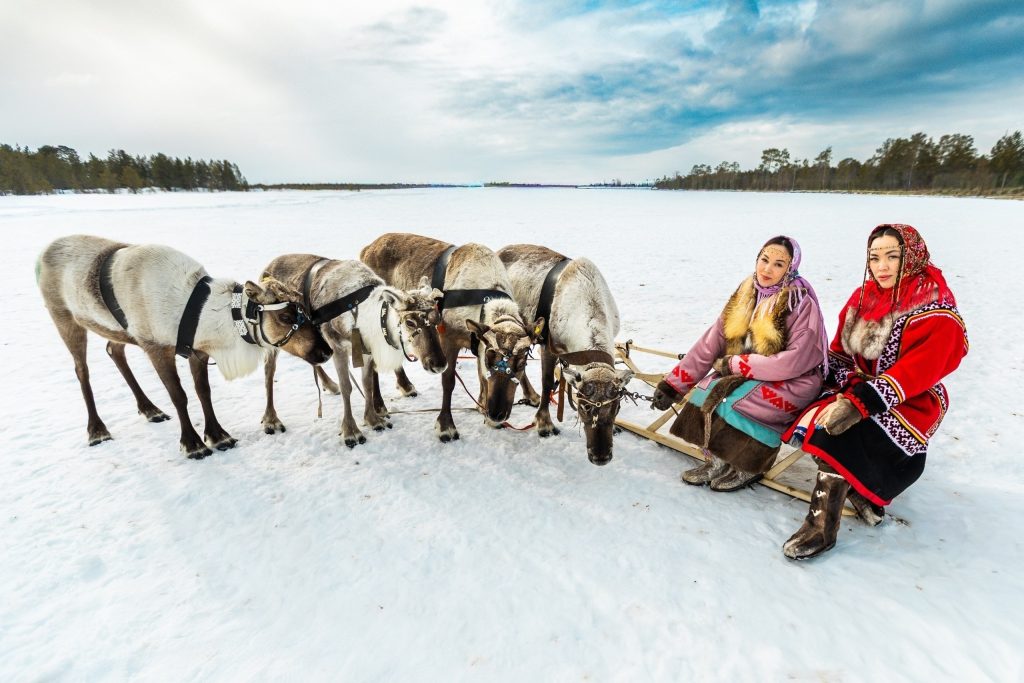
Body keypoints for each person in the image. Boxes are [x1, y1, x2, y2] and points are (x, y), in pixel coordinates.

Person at [781, 223, 968, 560]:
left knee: (840, 435)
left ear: (911, 257)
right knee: (810, 414)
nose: (881, 266)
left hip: (909, 399)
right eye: (875, 257)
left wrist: (862, 401)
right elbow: (839, 351)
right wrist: (842, 384)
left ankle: (821, 527)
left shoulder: (935, 308)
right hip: (858, 387)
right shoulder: (863, 297)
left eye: (892, 256)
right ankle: (857, 485)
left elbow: (921, 369)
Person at [651, 236, 829, 492]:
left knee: (740, 402)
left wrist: (737, 365)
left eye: (779, 264)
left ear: (790, 269)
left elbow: (797, 359)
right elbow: (711, 342)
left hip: (795, 380)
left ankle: (750, 464)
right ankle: (717, 459)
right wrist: (673, 385)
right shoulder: (746, 293)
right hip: (751, 371)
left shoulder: (799, 302)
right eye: (764, 260)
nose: (767, 269)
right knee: (706, 391)